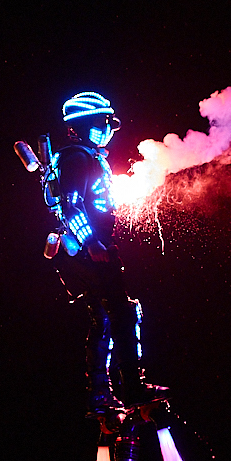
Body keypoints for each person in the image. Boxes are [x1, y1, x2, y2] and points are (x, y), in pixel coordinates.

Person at [45, 91, 164, 412]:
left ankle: (106, 393)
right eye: (102, 123)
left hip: (89, 251)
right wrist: (91, 241)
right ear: (83, 125)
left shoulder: (87, 156)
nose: (108, 129)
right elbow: (71, 206)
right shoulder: (76, 157)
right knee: (119, 315)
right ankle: (129, 389)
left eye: (109, 123)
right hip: (89, 253)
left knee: (108, 318)